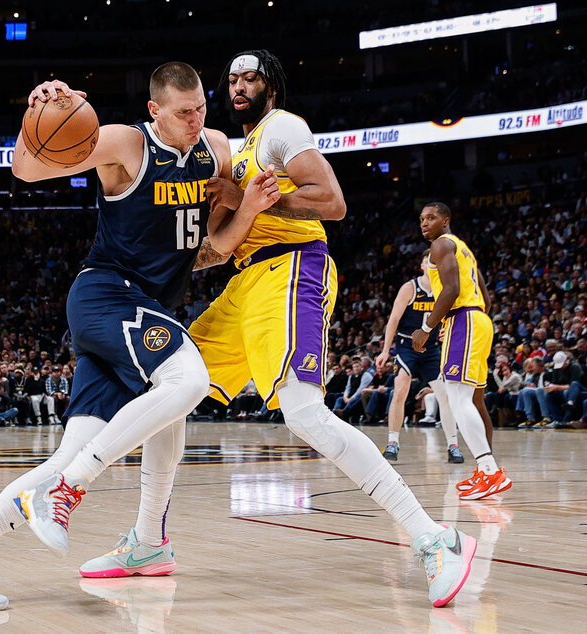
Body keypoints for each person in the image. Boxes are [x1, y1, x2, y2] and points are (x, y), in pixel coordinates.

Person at [0, 62, 280, 611]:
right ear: (156, 110)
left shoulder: (215, 148)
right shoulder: (128, 145)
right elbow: (28, 171)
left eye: (202, 107)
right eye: (184, 111)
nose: (197, 118)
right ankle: (73, 491)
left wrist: (244, 207)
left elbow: (211, 252)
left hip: (147, 306)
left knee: (126, 434)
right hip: (107, 295)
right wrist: (38, 111)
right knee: (189, 379)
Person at [186, 50, 476, 607]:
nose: (239, 85)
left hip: (292, 268)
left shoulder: (282, 128)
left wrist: (264, 199)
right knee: (172, 387)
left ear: (271, 84)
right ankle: (150, 541)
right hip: (244, 283)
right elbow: (215, 250)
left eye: (250, 76)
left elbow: (334, 202)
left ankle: (434, 537)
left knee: (303, 413)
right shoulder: (235, 152)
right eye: (232, 79)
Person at [411, 201, 511, 501]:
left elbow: (451, 289)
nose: (425, 222)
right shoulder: (463, 248)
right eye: (421, 218)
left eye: (431, 217)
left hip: (464, 320)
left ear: (446, 220)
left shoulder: (441, 245)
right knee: (475, 400)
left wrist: (427, 327)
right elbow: (485, 296)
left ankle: (489, 469)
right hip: (478, 320)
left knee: (457, 398)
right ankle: (486, 470)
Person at [375, 251, 464, 463]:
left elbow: (453, 318)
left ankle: (453, 445)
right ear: (423, 265)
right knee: (400, 391)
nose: (433, 264)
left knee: (445, 396)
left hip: (432, 349)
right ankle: (393, 442)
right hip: (407, 346)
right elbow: (394, 320)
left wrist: (447, 330)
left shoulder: (446, 290)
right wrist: (386, 350)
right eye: (429, 260)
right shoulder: (410, 288)